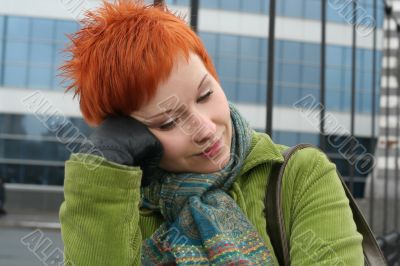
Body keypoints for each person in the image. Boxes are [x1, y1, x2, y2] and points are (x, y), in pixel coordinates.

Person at [59, 1, 364, 265]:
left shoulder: (301, 175)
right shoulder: (119, 202)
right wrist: (104, 173)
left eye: (205, 94)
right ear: (129, 131)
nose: (204, 129)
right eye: (167, 122)